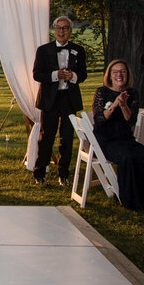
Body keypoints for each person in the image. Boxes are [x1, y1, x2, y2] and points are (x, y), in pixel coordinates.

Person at [90, 59, 144, 210]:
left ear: (127, 75)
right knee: (128, 157)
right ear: (110, 75)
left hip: (125, 138)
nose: (119, 75)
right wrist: (114, 104)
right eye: (116, 72)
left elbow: (130, 121)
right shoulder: (102, 91)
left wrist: (124, 104)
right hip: (106, 139)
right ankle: (132, 202)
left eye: (123, 72)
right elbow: (99, 119)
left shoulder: (132, 93)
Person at [32, 16, 87, 186]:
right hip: (50, 99)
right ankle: (39, 173)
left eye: (65, 28)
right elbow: (36, 74)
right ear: (54, 30)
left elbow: (83, 74)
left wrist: (73, 76)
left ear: (70, 31)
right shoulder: (43, 50)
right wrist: (56, 75)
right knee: (46, 136)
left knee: (67, 138)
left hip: (69, 99)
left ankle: (63, 174)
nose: (61, 31)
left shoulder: (79, 50)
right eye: (58, 28)